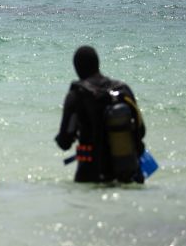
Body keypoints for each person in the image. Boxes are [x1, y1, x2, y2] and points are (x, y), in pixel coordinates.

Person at [55, 46, 146, 183]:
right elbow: (141, 131)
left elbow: (64, 142)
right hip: (127, 173)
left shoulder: (76, 95)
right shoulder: (122, 90)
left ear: (76, 68)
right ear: (98, 64)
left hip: (91, 175)